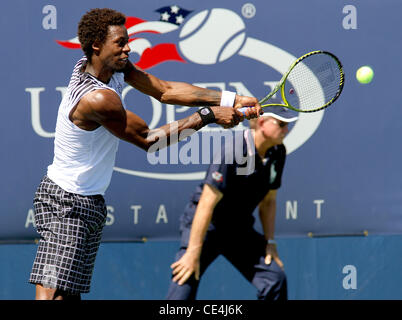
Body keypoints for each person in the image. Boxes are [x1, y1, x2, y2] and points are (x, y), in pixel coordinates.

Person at [28, 8, 261, 300]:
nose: (128, 47)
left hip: (89, 202)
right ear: (97, 45)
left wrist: (230, 99)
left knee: (69, 295)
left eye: (128, 40)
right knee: (52, 295)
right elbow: (149, 140)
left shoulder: (108, 66)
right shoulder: (99, 99)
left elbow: (164, 90)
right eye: (121, 42)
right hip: (65, 202)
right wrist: (208, 116)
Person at [166, 105, 298, 300]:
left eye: (287, 125)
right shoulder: (234, 150)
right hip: (206, 227)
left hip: (239, 230)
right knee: (184, 282)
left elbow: (269, 202)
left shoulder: (278, 152)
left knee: (274, 278)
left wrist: (270, 242)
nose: (286, 130)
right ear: (261, 123)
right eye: (281, 124)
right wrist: (194, 252)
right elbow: (206, 203)